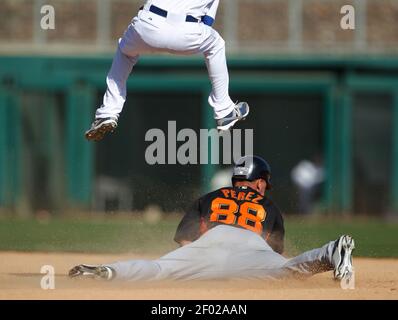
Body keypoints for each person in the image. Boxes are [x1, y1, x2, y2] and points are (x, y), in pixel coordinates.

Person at [69, 155, 355, 282]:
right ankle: (332, 252)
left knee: (159, 269)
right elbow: (273, 249)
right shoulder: (268, 205)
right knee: (288, 271)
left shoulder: (209, 197)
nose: (265, 187)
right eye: (264, 182)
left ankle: (108, 272)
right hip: (250, 246)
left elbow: (184, 239)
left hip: (208, 243)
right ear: (257, 183)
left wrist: (197, 264)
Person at [85, 0, 249, 141]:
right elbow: (207, 21)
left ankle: (108, 112)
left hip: (148, 22)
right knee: (216, 45)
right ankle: (224, 110)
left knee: (125, 53)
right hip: (186, 31)